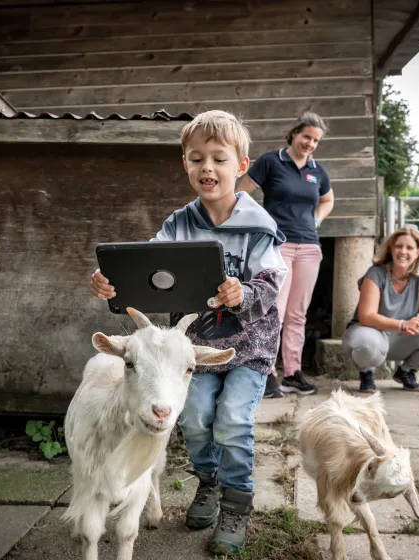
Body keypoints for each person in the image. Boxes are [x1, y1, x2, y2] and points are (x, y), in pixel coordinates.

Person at [90, 110, 287, 555]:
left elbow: (274, 281)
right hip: (191, 353)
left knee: (233, 421)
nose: (208, 168)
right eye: (197, 159)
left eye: (219, 158)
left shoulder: (259, 227)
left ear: (242, 165)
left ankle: (237, 503)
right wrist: (110, 282)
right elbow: (146, 268)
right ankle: (209, 483)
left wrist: (246, 292)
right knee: (195, 419)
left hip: (248, 348)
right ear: (185, 164)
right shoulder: (180, 223)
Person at [237, 112, 334, 398]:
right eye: (307, 137)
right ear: (294, 134)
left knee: (297, 315)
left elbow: (328, 199)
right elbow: (241, 192)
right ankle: (266, 372)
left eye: (316, 140)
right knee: (272, 312)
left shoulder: (318, 171)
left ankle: (292, 373)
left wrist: (316, 220)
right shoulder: (271, 161)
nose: (310, 144)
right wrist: (259, 225)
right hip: (277, 246)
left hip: (309, 247)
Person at [342, 227, 419, 393]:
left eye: (409, 248)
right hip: (372, 333)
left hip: (402, 338)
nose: (403, 252)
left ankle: (406, 371)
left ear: (417, 252)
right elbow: (366, 316)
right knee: (366, 342)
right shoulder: (375, 274)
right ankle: (366, 373)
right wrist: (403, 324)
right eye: (399, 246)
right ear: (391, 249)